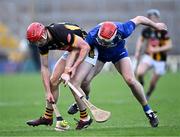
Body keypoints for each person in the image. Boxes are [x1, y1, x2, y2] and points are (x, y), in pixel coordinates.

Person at [68, 15, 168, 127]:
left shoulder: (123, 29)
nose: (103, 44)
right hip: (100, 56)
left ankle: (149, 112)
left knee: (130, 80)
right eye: (101, 41)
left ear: (115, 34)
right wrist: (71, 67)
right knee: (85, 81)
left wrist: (155, 26)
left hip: (118, 54)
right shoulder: (92, 35)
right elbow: (81, 49)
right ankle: (84, 99)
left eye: (106, 42)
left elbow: (139, 19)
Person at [26, 22, 98, 130]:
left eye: (39, 40)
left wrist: (69, 70)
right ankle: (48, 117)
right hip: (71, 49)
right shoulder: (41, 42)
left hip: (87, 48)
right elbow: (44, 67)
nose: (39, 43)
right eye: (35, 42)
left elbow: (84, 47)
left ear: (44, 32)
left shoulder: (60, 32)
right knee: (53, 81)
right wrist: (47, 92)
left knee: (74, 83)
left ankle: (85, 118)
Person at [135, 9, 172, 100]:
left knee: (153, 83)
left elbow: (169, 46)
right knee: (139, 73)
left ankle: (148, 94)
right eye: (150, 18)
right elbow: (140, 40)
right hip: (149, 56)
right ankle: (141, 86)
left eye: (154, 18)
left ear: (158, 18)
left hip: (160, 59)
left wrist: (156, 49)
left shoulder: (163, 31)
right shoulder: (146, 30)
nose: (153, 19)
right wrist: (137, 51)